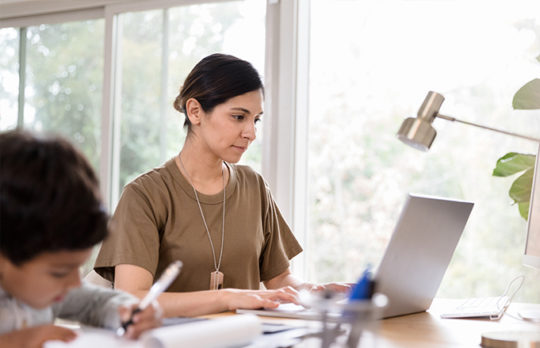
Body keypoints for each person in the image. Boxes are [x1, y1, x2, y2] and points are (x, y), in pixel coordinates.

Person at [94, 53, 350, 317]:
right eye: (239, 117)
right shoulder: (145, 195)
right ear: (195, 111)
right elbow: (131, 300)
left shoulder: (254, 187)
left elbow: (280, 281)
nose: (251, 132)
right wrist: (228, 298)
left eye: (256, 119)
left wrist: (316, 291)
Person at [0, 130, 161, 348]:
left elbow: (95, 302)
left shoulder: (51, 287)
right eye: (59, 272)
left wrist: (129, 312)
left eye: (77, 267)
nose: (75, 282)